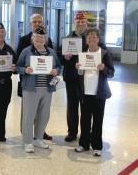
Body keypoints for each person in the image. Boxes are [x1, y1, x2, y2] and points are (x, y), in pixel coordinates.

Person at [60, 12, 107, 142]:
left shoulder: (93, 37)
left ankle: (86, 134)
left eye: (83, 22)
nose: (80, 24)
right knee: (72, 106)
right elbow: (59, 57)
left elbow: (104, 53)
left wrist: (102, 65)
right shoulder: (68, 38)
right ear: (74, 23)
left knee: (87, 108)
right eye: (78, 22)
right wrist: (65, 57)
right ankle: (72, 132)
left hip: (88, 80)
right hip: (72, 79)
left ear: (86, 23)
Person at [16, 26, 61, 153]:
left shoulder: (51, 52)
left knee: (44, 115)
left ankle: (39, 138)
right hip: (31, 88)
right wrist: (25, 70)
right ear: (32, 39)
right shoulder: (26, 51)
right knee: (29, 116)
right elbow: (17, 67)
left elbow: (59, 66)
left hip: (47, 88)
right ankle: (28, 141)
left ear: (45, 39)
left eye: (42, 38)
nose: (40, 40)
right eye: (37, 37)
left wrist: (56, 71)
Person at [74, 28, 114, 156]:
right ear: (86, 40)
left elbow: (111, 73)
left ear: (98, 39)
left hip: (99, 94)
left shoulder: (104, 53)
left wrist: (103, 68)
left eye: (94, 37)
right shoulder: (82, 54)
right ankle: (83, 144)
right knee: (84, 120)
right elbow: (79, 74)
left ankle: (97, 146)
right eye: (89, 37)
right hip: (85, 92)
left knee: (98, 120)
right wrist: (78, 69)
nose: (91, 39)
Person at [17, 13, 53, 141]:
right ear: (30, 24)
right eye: (35, 22)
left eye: (39, 22)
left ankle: (40, 133)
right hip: (29, 83)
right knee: (27, 111)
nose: (37, 24)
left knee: (42, 111)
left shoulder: (48, 40)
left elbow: (53, 60)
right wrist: (25, 71)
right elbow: (18, 63)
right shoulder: (23, 40)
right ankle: (26, 134)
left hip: (44, 83)